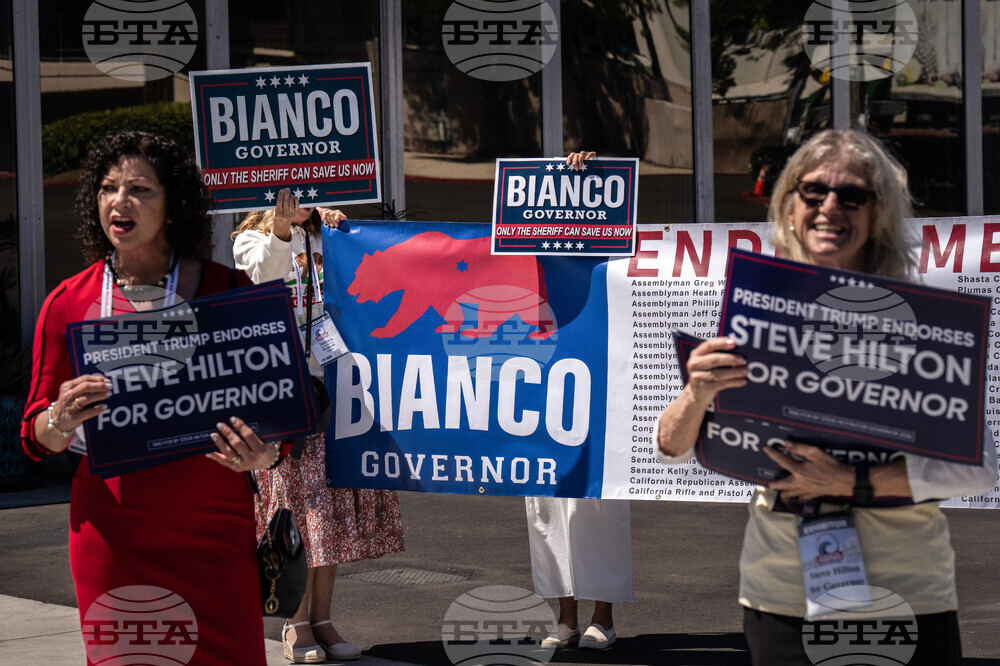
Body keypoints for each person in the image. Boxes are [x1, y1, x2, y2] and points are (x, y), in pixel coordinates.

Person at [654, 129, 995, 665]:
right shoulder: (755, 315)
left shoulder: (919, 318)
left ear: (877, 214)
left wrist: (850, 481)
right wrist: (697, 392)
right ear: (790, 207)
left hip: (904, 596)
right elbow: (670, 447)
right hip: (781, 595)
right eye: (813, 191)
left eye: (851, 195)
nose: (829, 207)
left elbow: (978, 467)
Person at [20, 130, 280, 665]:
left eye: (139, 189)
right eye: (108, 188)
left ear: (173, 202)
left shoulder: (230, 291)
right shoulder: (68, 303)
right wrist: (60, 418)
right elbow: (35, 439)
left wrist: (265, 454)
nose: (120, 201)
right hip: (114, 539)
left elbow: (279, 422)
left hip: (214, 534)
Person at [233, 189, 405, 663]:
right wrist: (282, 230)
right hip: (283, 394)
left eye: (314, 188)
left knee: (327, 511)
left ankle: (323, 619)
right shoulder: (250, 240)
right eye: (297, 188)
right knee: (297, 511)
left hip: (337, 388)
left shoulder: (325, 237)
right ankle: (296, 623)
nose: (306, 196)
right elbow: (261, 277)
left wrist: (341, 232)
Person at [525, 150, 634, 652]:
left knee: (599, 500)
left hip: (602, 376)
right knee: (546, 504)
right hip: (541, 378)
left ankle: (602, 617)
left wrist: (592, 174)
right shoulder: (526, 253)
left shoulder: (609, 254)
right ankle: (565, 617)